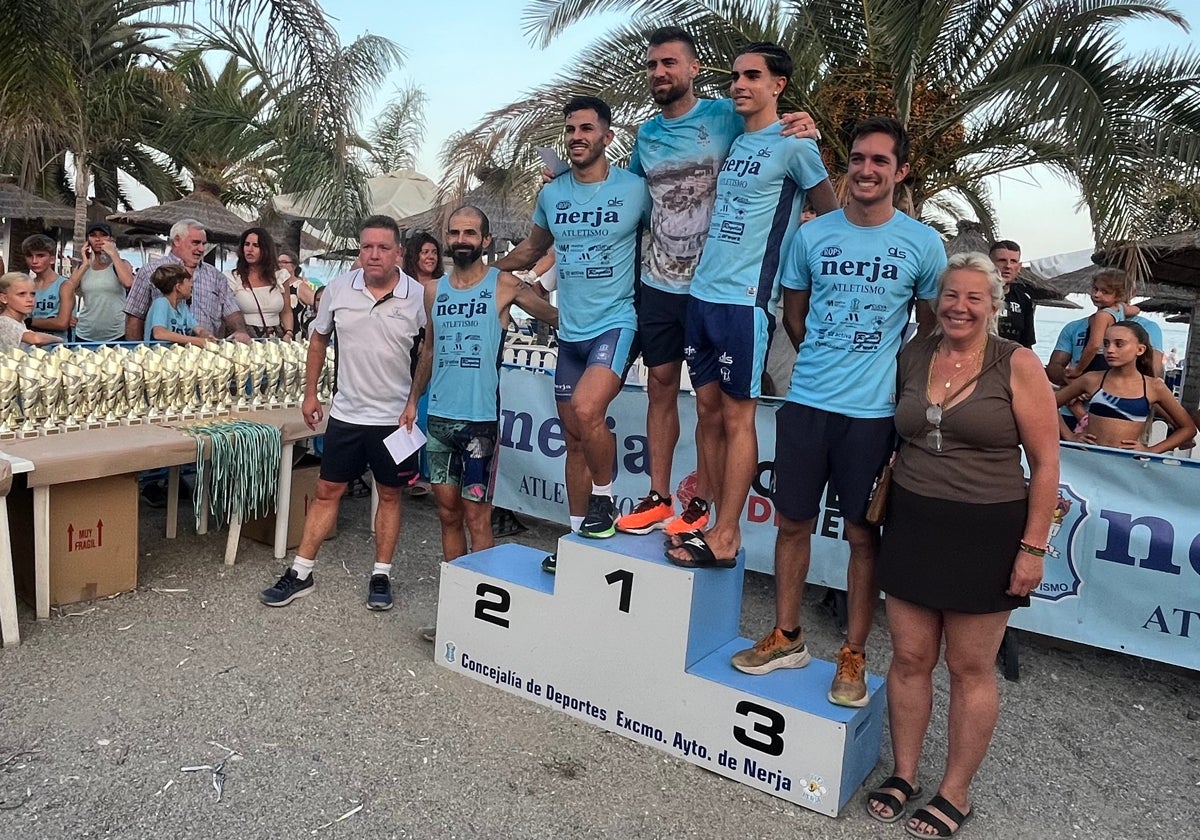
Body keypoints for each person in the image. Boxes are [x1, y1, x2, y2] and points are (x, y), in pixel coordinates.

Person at [727, 117, 942, 710]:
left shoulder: (922, 243)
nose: (866, 170)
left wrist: (891, 381)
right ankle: (787, 636)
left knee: (860, 535)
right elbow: (794, 316)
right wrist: (826, 358)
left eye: (880, 161)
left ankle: (852, 653)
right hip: (807, 405)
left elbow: (928, 331)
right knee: (791, 523)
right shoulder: (813, 236)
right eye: (857, 159)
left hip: (871, 418)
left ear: (900, 172)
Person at [866, 252, 1059, 838]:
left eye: (975, 297)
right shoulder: (912, 354)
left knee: (970, 667)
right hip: (913, 522)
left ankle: (956, 791)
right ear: (935, 300)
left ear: (993, 306)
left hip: (986, 530)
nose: (960, 306)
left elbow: (1047, 462)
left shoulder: (1016, 363)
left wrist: (1033, 547)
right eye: (951, 295)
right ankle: (903, 774)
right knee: (908, 658)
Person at [616, 26, 825, 538]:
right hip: (664, 284)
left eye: (670, 63)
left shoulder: (727, 115)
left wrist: (806, 122)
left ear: (692, 69)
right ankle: (660, 496)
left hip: (733, 295)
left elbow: (820, 202)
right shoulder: (645, 136)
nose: (660, 73)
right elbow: (626, 191)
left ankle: (709, 512)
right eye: (652, 65)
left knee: (725, 414)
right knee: (664, 389)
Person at [663, 41, 836, 573]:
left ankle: (727, 536)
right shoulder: (738, 138)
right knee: (708, 412)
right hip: (703, 296)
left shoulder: (796, 145)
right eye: (736, 75)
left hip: (746, 302)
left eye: (752, 76)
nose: (739, 84)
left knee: (739, 419)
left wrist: (800, 283)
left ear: (777, 86)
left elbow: (830, 217)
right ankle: (706, 518)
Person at [496, 95, 650, 553]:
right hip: (571, 333)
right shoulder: (552, 194)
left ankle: (605, 503)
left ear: (608, 136)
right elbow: (529, 251)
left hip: (617, 322)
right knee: (574, 440)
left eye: (586, 128)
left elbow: (678, 232)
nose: (576, 137)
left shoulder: (635, 189)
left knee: (588, 411)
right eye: (570, 130)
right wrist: (480, 278)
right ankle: (580, 532)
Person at [402, 206, 559, 641]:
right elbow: (428, 351)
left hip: (480, 426)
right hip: (440, 422)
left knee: (477, 518)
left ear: (486, 241)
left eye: (471, 232)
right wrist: (413, 400)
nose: (462, 239)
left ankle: (482, 620)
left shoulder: (503, 285)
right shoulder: (433, 291)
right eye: (455, 232)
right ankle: (455, 613)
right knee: (447, 516)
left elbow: (556, 318)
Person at [260, 215, 426, 611]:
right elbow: (317, 341)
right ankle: (300, 572)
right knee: (326, 491)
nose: (374, 254)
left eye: (383, 247)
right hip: (347, 414)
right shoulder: (337, 289)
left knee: (389, 495)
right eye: (367, 246)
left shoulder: (418, 295)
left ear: (398, 253)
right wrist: (310, 394)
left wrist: (414, 402)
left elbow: (427, 352)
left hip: (394, 421)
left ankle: (381, 575)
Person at [1054, 321, 1195, 452]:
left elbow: (1188, 428)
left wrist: (1151, 451)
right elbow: (1048, 403)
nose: (1109, 350)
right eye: (1106, 343)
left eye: (1119, 344)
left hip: (1125, 464)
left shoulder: (1153, 386)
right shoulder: (1092, 379)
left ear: (1140, 350)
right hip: (1088, 458)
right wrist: (1070, 436)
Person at [124, 218, 251, 342]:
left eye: (204, 244)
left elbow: (231, 310)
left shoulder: (216, 276)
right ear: (177, 241)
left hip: (205, 354)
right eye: (196, 242)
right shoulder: (149, 271)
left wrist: (240, 331)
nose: (201, 249)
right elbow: (135, 317)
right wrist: (134, 350)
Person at [1066, 268, 1140, 377]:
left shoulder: (1102, 316)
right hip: (1111, 361)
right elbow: (1136, 309)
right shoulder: (1120, 309)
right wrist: (1122, 304)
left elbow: (1094, 345)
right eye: (1095, 289)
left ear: (1119, 295)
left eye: (1105, 292)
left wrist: (1078, 369)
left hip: (1097, 360)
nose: (1097, 294)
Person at [69, 221, 135, 342]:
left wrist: (113, 254)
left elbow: (128, 282)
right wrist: (84, 264)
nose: (98, 239)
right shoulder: (82, 267)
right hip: (85, 334)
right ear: (88, 240)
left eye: (103, 235)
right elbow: (68, 290)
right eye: (93, 235)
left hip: (116, 335)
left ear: (111, 239)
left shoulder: (121, 264)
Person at [228, 227, 294, 339]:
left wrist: (288, 332)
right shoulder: (233, 278)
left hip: (275, 336)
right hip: (244, 337)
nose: (250, 249)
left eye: (256, 245)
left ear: (266, 249)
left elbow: (286, 311)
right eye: (247, 244)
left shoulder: (280, 276)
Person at [143, 264, 218, 346]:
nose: (191, 285)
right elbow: (159, 333)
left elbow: (198, 329)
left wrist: (207, 336)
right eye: (189, 281)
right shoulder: (161, 303)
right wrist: (196, 341)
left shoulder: (182, 308)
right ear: (178, 287)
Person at [23, 234, 75, 340]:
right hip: (31, 346)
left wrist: (29, 322)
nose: (34, 261)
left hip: (59, 348)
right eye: (30, 256)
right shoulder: (27, 285)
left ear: (52, 259)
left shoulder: (64, 285)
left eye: (40, 256)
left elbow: (61, 324)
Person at [989, 239, 1036, 348]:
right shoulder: (977, 294)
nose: (1008, 266)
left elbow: (1026, 343)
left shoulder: (1024, 301)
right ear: (989, 263)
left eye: (1013, 261)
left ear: (1019, 267)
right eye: (1002, 260)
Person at [0, 272, 64, 349]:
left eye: (32, 294)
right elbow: (36, 338)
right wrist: (59, 339)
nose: (30, 299)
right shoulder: (4, 322)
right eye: (22, 294)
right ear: (4, 298)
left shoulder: (19, 322)